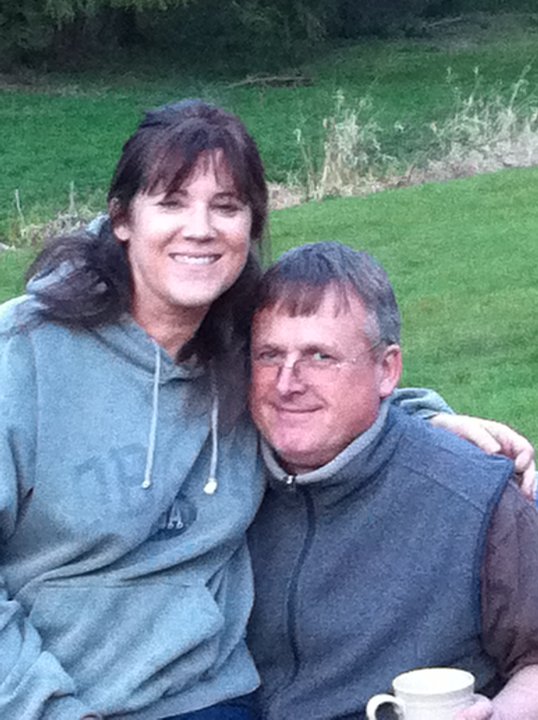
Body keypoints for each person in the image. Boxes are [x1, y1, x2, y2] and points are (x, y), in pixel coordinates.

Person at [0, 100, 534, 719]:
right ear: (122, 219)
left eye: (226, 206)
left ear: (251, 226)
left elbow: (330, 388)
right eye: (171, 202)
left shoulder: (237, 348)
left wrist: (425, 421)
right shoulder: (23, 355)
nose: (200, 228)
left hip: (211, 698)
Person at [247, 242, 538, 720]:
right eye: (269, 355)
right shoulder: (223, 481)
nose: (287, 382)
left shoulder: (474, 497)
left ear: (387, 370)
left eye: (320, 356)